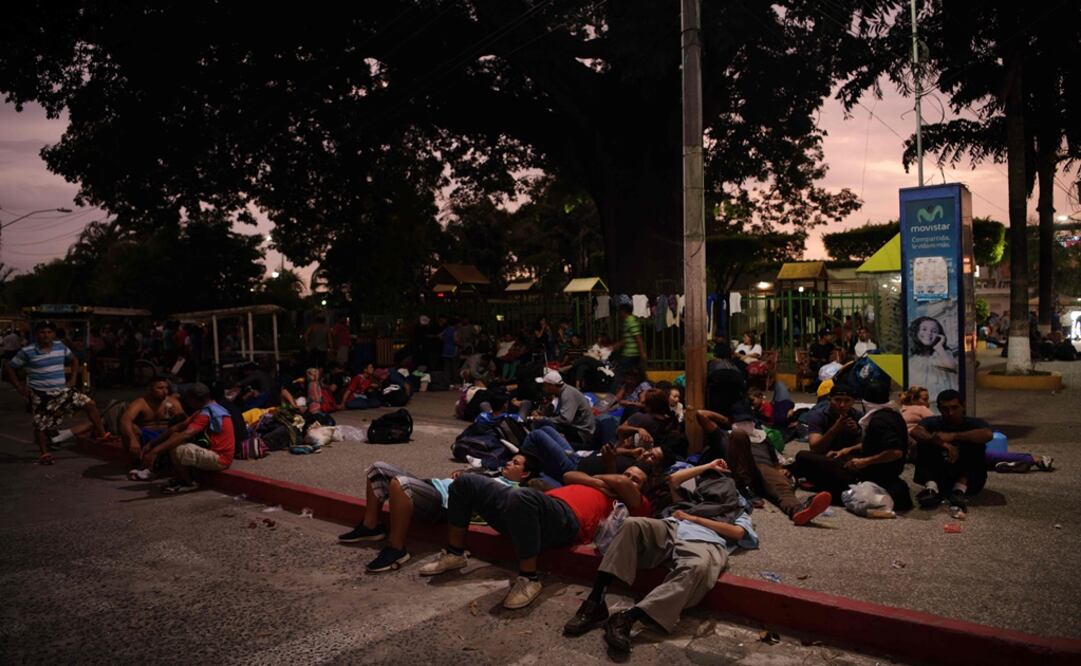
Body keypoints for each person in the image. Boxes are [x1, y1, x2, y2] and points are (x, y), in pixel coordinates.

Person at [563, 459, 758, 654]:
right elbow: (673, 479)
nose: (719, 485)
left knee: (698, 567)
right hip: (672, 527)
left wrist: (695, 518)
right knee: (632, 524)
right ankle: (595, 602)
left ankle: (628, 618)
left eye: (725, 481)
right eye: (713, 480)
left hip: (704, 540)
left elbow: (737, 533)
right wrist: (709, 466)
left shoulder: (737, 510)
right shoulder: (692, 500)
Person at [419, 463, 652, 609]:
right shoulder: (599, 485)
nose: (628, 479)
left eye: (636, 479)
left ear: (641, 489)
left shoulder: (637, 504)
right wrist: (598, 482)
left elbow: (621, 483)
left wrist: (611, 483)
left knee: (524, 497)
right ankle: (455, 553)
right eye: (627, 473)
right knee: (465, 482)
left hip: (566, 522)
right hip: (535, 509)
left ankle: (530, 578)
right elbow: (569, 474)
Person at [338, 454, 542, 573]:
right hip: (433, 486)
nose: (508, 463)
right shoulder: (492, 475)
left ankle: (396, 549)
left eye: (516, 463)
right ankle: (370, 526)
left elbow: (487, 511)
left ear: (524, 474)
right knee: (377, 468)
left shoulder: (513, 491)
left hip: (444, 504)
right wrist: (465, 474)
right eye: (511, 460)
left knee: (400, 484)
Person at [4, 320, 108, 465]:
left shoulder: (60, 346)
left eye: (49, 332)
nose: (46, 335)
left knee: (90, 404)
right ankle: (44, 454)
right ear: (36, 335)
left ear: (53, 334)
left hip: (62, 391)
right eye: (42, 332)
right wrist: (19, 387)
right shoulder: (27, 351)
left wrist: (72, 379)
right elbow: (9, 367)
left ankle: (102, 435)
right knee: (40, 425)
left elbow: (74, 360)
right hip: (41, 395)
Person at [910, 390, 993, 516]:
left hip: (969, 480)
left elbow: (987, 434)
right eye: (945, 409)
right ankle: (931, 488)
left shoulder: (974, 423)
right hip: (939, 474)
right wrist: (941, 443)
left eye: (955, 408)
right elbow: (915, 432)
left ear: (963, 406)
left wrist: (953, 436)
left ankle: (959, 490)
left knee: (974, 442)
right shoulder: (933, 422)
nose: (950, 413)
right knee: (925, 441)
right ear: (939, 409)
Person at [141, 383, 235, 493]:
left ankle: (188, 483)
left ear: (194, 399)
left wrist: (156, 451)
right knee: (174, 437)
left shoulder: (206, 414)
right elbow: (176, 428)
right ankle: (180, 476)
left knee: (178, 449)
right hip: (213, 452)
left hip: (221, 459)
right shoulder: (209, 408)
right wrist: (152, 444)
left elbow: (186, 434)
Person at [119, 376, 186, 475]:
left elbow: (186, 422)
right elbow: (125, 420)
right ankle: (137, 463)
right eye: (160, 388)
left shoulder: (172, 402)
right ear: (150, 389)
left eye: (166, 388)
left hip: (165, 435)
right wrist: (132, 439)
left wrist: (179, 415)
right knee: (132, 428)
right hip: (146, 435)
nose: (165, 391)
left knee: (177, 433)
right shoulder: (140, 403)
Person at [530, 370, 596, 445]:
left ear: (552, 386)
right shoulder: (561, 393)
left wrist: (543, 418)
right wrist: (541, 414)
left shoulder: (567, 394)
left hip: (581, 432)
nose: (543, 388)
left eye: (545, 385)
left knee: (544, 423)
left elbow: (566, 419)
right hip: (575, 427)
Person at [908, 317, 957, 409]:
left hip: (941, 407)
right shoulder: (912, 361)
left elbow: (950, 365)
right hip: (919, 408)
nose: (929, 333)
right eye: (924, 329)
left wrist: (939, 347)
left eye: (934, 331)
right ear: (916, 332)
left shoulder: (942, 354)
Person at [612, 301, 646, 381]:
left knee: (620, 373)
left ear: (623, 311)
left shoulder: (630, 320)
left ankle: (613, 391)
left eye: (620, 312)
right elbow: (628, 338)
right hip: (632, 353)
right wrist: (616, 345)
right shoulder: (629, 320)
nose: (620, 314)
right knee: (638, 373)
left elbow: (638, 337)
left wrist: (642, 352)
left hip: (630, 353)